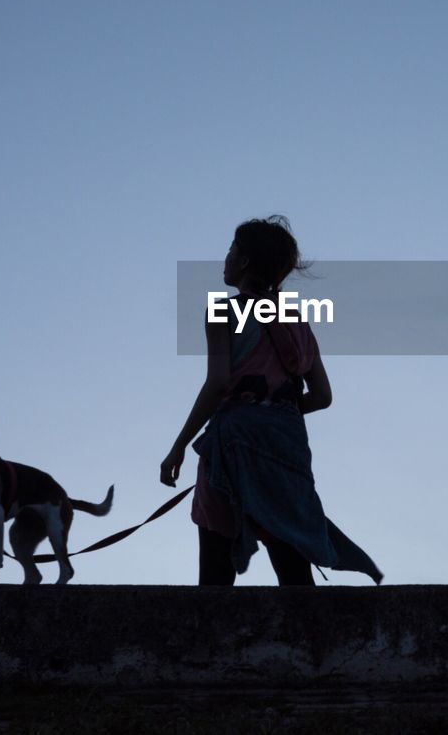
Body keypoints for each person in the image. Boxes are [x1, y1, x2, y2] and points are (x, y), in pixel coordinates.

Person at [160, 216, 383, 586]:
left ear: (245, 261)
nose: (226, 257)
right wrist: (276, 409)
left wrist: (178, 447)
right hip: (286, 442)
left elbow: (217, 385)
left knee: (217, 563)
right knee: (292, 562)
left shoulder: (222, 310)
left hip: (232, 440)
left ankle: (215, 642)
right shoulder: (298, 323)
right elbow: (323, 397)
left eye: (232, 249)